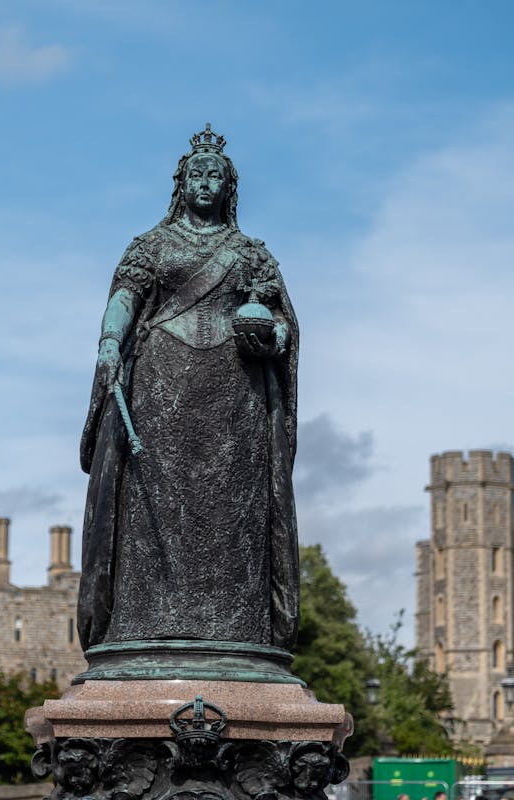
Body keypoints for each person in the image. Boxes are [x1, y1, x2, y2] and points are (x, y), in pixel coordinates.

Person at [79, 124, 299, 650]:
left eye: (215, 176)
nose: (206, 182)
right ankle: (143, 625)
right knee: (153, 502)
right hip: (160, 385)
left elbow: (283, 323)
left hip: (234, 392)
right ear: (182, 183)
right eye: (197, 174)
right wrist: (110, 340)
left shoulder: (251, 254)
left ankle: (237, 631)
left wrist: (272, 334)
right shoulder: (151, 245)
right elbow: (125, 298)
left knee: (233, 507)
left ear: (229, 187)